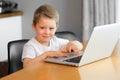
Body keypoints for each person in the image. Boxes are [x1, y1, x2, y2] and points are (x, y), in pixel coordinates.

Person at [22, 4, 83, 68]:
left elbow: (80, 46)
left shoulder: (55, 41)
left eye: (51, 28)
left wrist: (72, 44)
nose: (47, 32)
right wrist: (46, 54)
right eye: (42, 28)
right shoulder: (30, 46)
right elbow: (26, 66)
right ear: (34, 26)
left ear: (56, 28)